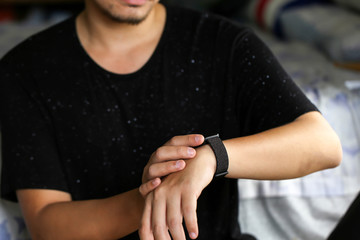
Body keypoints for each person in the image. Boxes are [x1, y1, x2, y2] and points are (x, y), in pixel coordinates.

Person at [0, 0, 342, 239]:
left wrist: (211, 157)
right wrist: (152, 199)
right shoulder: (25, 70)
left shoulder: (224, 42)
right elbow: (47, 224)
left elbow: (322, 143)